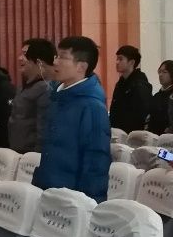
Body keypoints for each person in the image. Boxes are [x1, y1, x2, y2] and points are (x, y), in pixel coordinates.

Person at [33, 36, 111, 200]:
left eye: (62, 57)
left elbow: (96, 162)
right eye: (56, 56)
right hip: (48, 192)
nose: (55, 62)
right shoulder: (58, 99)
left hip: (71, 200)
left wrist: (88, 205)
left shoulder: (92, 107)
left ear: (81, 67)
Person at [9, 39, 54, 153]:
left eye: (25, 54)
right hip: (17, 154)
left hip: (32, 156)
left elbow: (44, 129)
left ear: (39, 60)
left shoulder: (46, 88)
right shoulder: (24, 86)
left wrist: (36, 157)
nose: (20, 58)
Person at [110, 45, 152, 133]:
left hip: (133, 134)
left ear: (131, 62)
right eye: (117, 59)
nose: (117, 62)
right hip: (117, 132)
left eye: (120, 59)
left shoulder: (140, 84)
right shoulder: (120, 83)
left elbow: (141, 114)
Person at [148, 60, 173, 135]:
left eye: (164, 72)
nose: (160, 75)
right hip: (153, 135)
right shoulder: (157, 95)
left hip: (168, 136)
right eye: (159, 72)